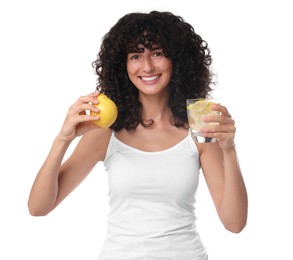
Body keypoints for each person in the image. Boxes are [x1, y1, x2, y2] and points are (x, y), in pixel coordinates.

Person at [28, 10, 248, 260]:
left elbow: (234, 224)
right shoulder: (105, 133)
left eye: (157, 53)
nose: (147, 66)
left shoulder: (198, 129)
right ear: (122, 66)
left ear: (177, 60)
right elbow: (38, 207)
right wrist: (62, 140)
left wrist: (229, 149)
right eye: (135, 56)